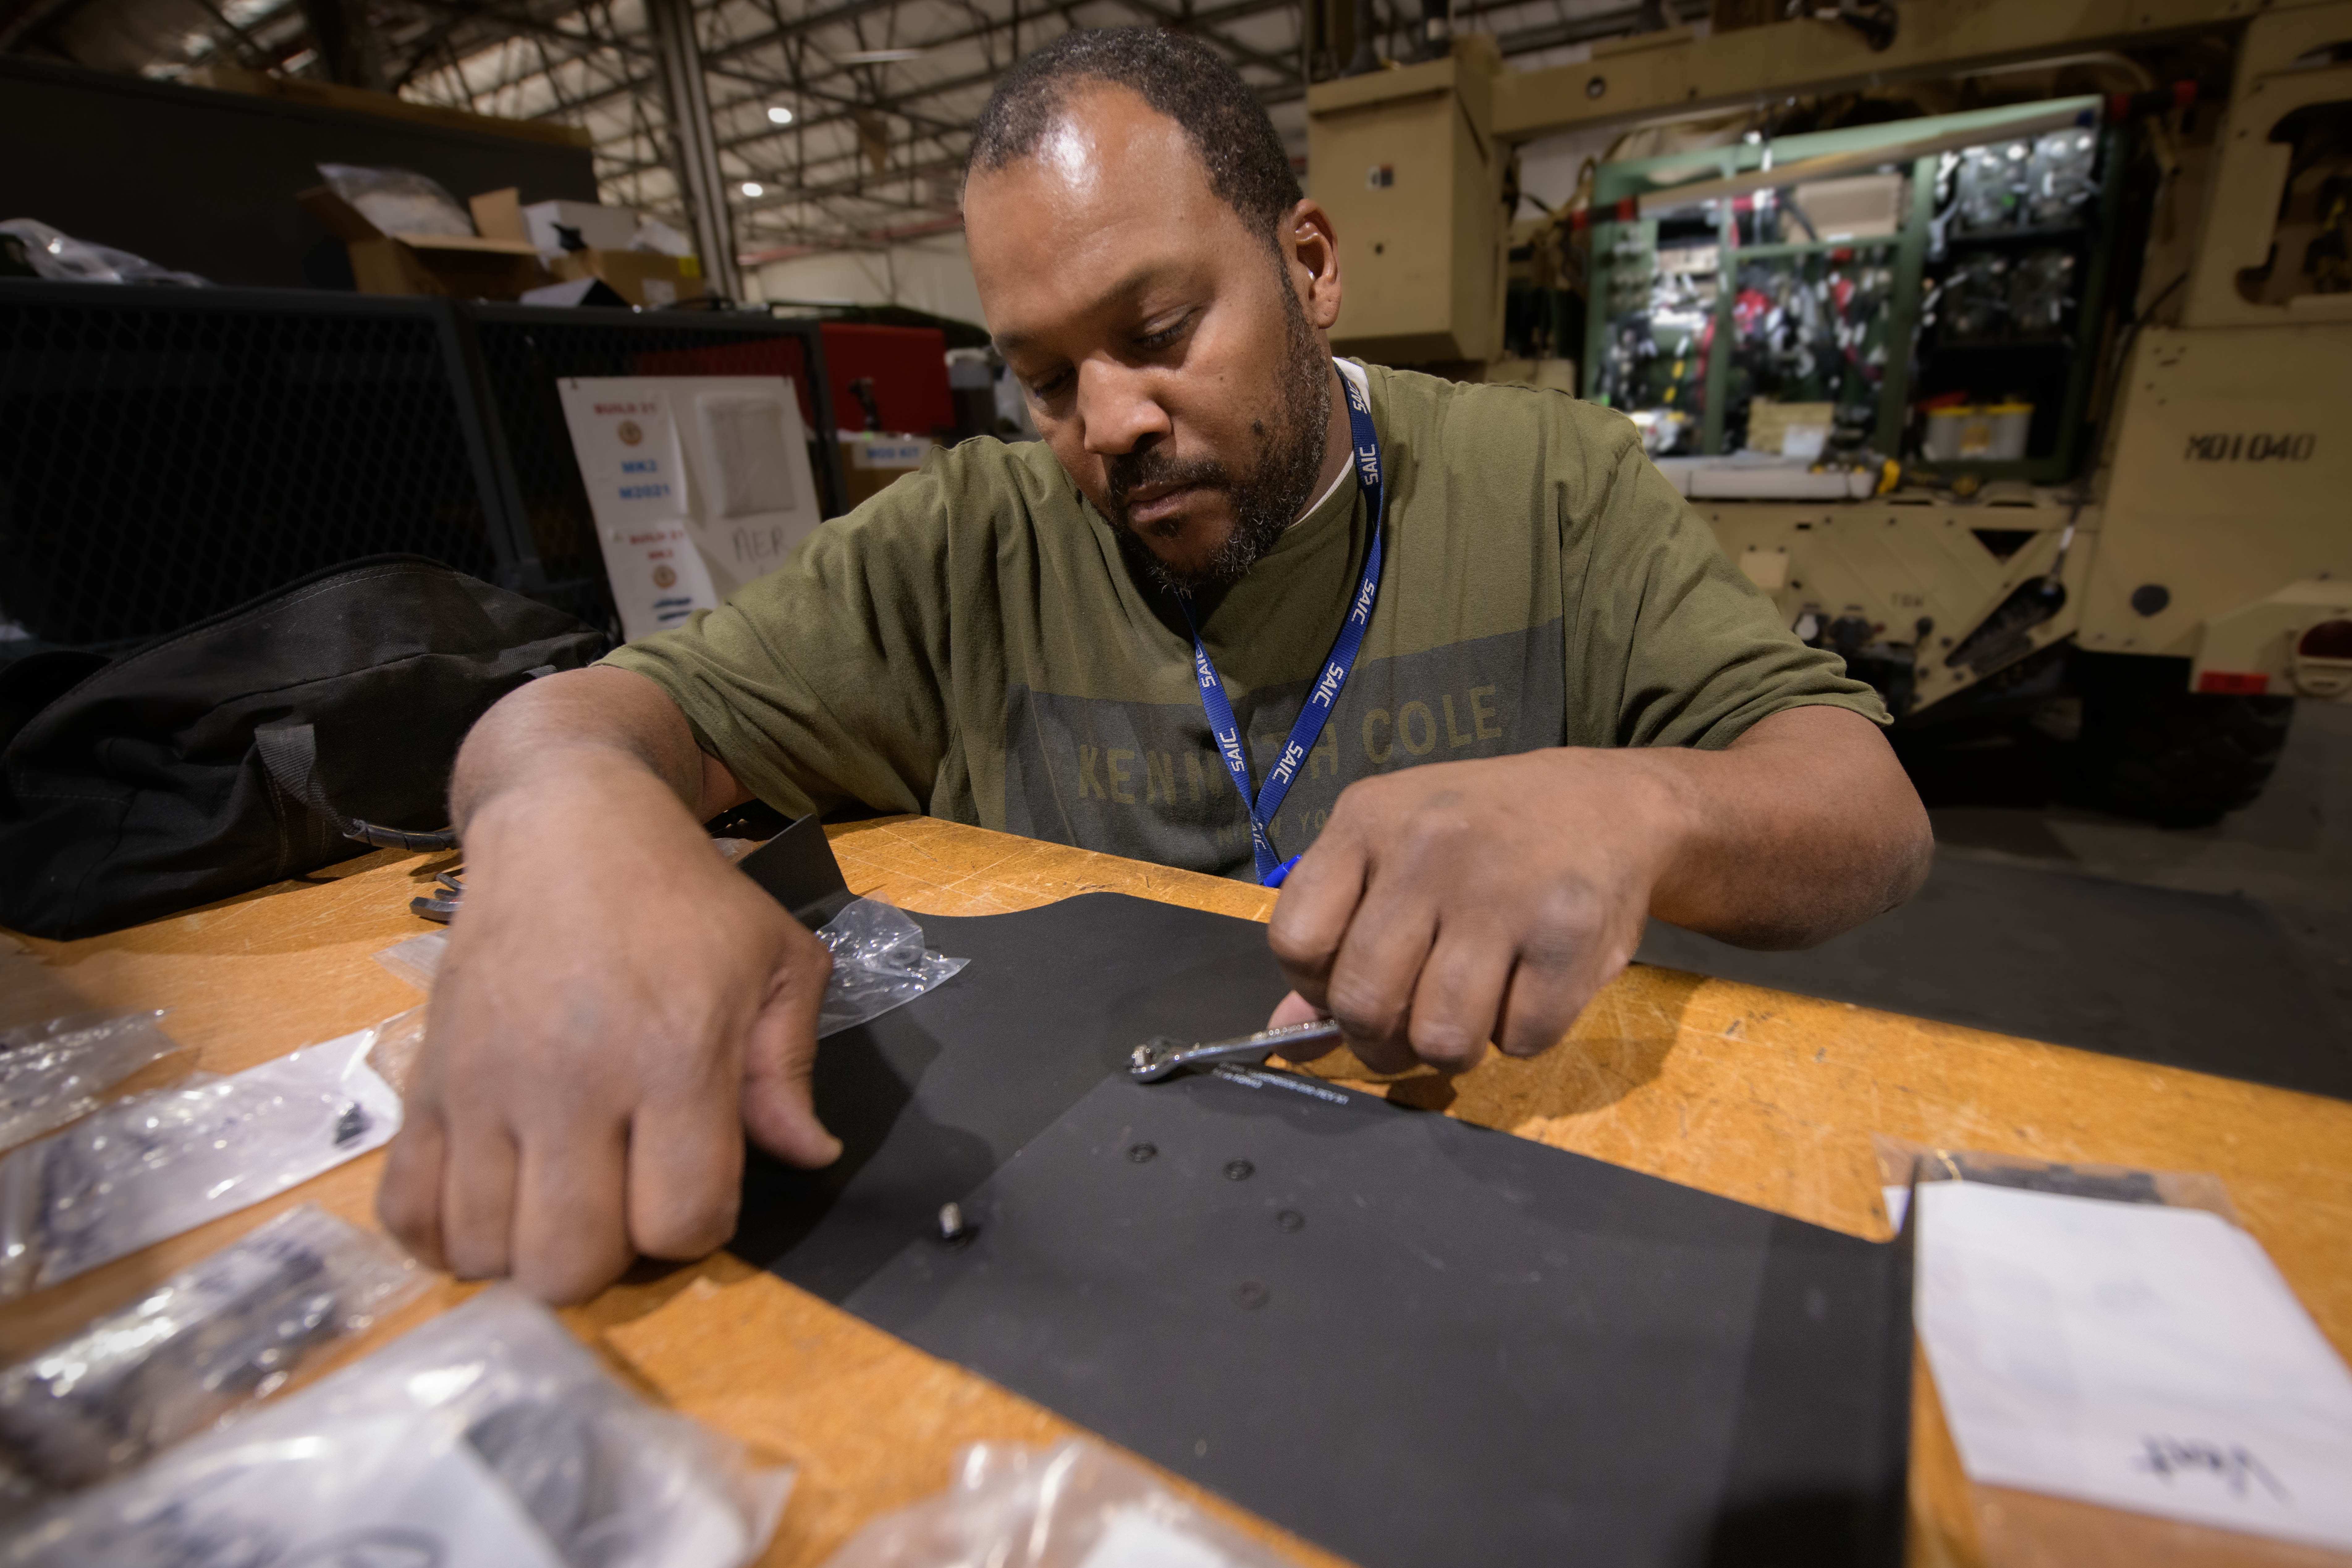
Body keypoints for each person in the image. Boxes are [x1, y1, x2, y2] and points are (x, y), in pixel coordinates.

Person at [379, 30, 1932, 1303]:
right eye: (1047, 380)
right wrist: (566, 831)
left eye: (1162, 327)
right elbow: (579, 721)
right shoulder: (962, 544)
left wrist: (1629, 810)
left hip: (1487, 1228)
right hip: (1061, 1259)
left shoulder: (1551, 488)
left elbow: (1863, 813)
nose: (1107, 422)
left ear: (1310, 264)